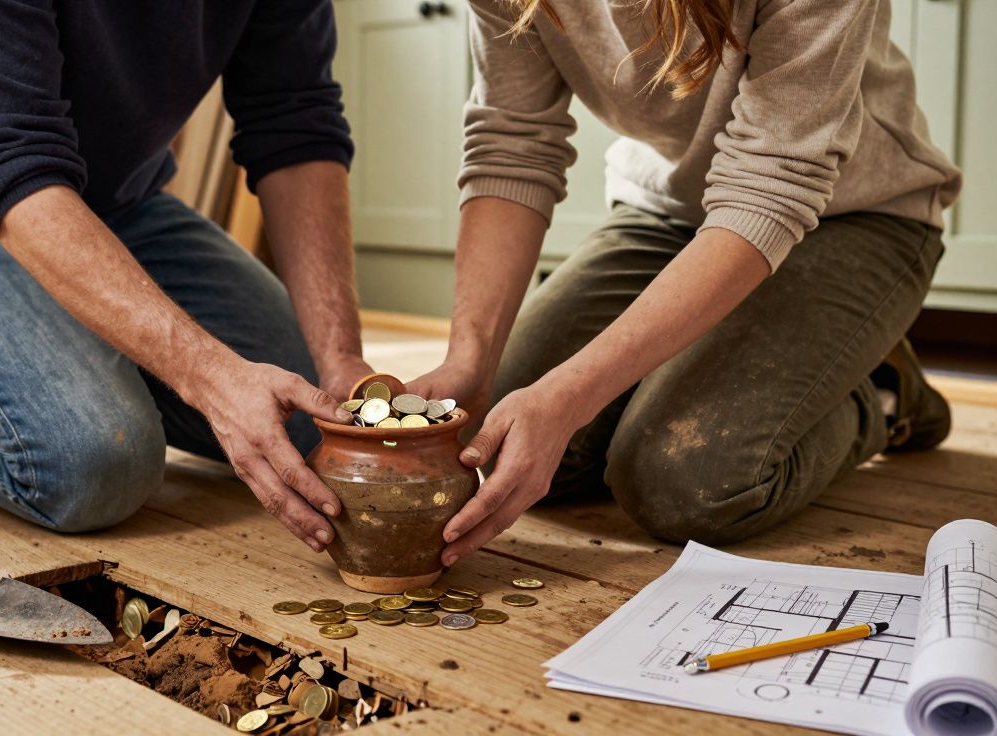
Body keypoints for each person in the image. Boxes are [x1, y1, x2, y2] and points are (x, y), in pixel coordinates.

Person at [0, 1, 376, 550]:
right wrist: (209, 375)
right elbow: (9, 157)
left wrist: (341, 358)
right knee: (96, 464)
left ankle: (91, 347)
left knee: (315, 419)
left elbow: (295, 119)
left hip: (117, 204)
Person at [409, 0, 962, 566]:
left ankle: (886, 391)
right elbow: (512, 143)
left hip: (854, 212)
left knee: (682, 480)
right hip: (671, 210)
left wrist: (570, 394)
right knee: (503, 436)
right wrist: (471, 357)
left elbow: (770, 186)